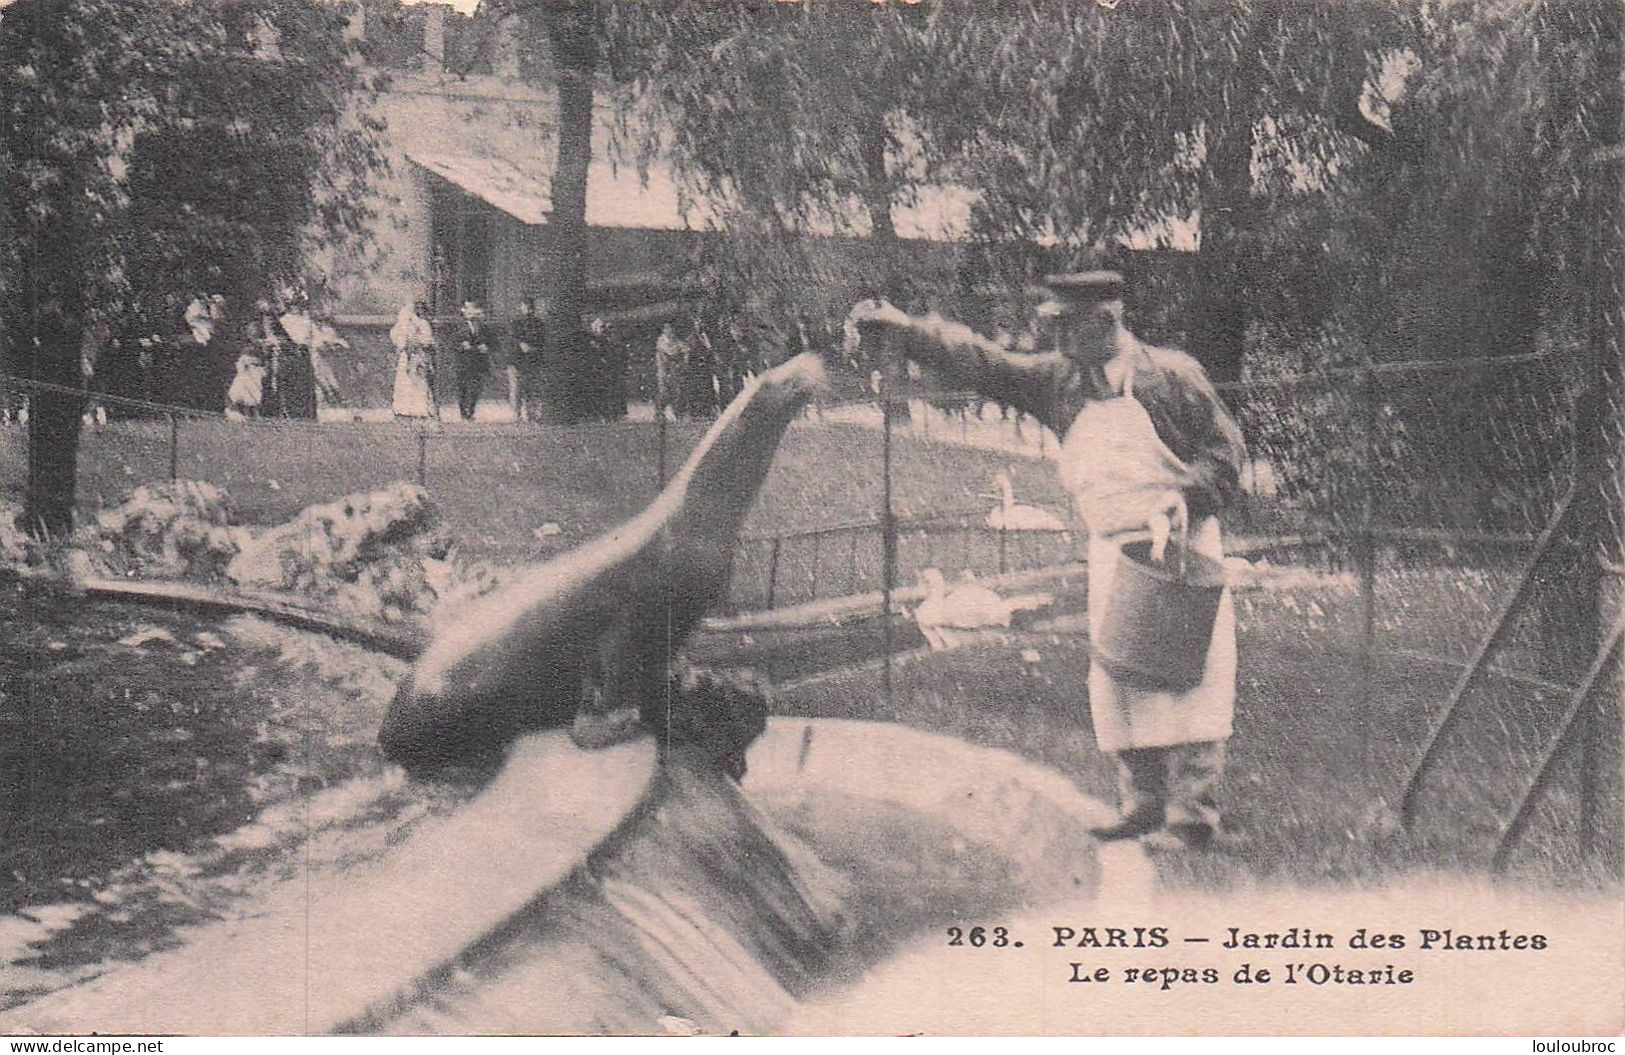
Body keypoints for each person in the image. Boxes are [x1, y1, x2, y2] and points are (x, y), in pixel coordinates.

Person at [848, 272, 1246, 852]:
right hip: (1113, 546)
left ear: (1105, 321)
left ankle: (1192, 817)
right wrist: (911, 333)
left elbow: (1226, 452)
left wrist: (1187, 494)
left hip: (1183, 542)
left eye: (1066, 324)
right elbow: (986, 363)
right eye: (1053, 323)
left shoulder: (1171, 376)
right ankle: (1141, 805)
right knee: (1120, 678)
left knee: (1193, 676)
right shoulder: (1059, 381)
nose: (1055, 335)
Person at [378, 351, 831, 772]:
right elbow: (631, 637)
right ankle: (605, 711)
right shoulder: (684, 547)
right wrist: (610, 709)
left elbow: (648, 637)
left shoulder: (683, 539)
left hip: (438, 699)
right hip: (435, 712)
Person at [390, 300, 439, 420]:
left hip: (418, 355)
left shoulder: (422, 324)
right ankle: (402, 409)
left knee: (419, 382)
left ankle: (420, 408)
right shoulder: (399, 327)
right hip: (405, 357)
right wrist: (404, 344)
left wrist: (418, 341)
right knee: (404, 382)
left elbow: (428, 339)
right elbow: (397, 340)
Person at [509, 295, 546, 422]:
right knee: (517, 389)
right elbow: (512, 340)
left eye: (531, 307)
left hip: (533, 360)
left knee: (533, 388)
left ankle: (532, 414)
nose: (529, 310)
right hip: (518, 361)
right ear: (521, 308)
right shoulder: (516, 324)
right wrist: (520, 345)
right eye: (526, 306)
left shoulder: (540, 324)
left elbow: (542, 341)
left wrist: (534, 349)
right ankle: (517, 414)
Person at [455, 300, 493, 422]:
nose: (471, 312)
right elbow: (452, 342)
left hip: (478, 361)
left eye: (473, 309)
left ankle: (471, 410)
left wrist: (487, 346)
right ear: (464, 311)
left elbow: (492, 341)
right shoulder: (458, 325)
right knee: (463, 387)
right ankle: (463, 412)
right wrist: (462, 345)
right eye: (468, 309)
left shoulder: (482, 326)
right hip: (463, 361)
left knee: (476, 387)